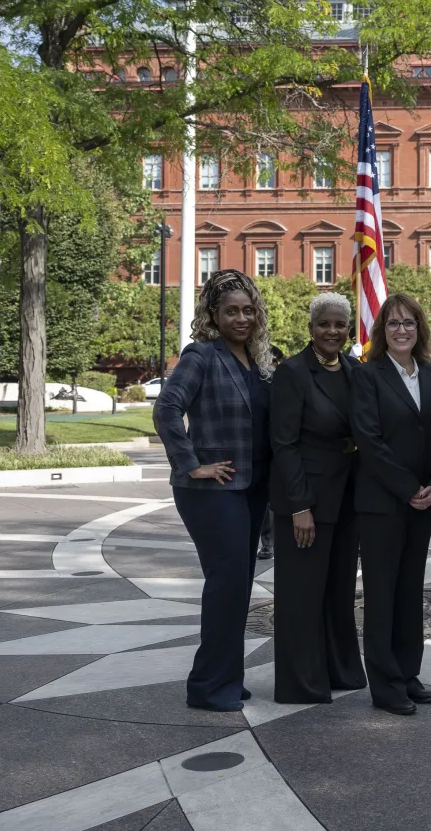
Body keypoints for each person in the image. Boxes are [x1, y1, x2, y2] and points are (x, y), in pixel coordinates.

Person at [154, 270, 272, 712]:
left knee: (238, 587)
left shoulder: (258, 361)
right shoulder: (201, 355)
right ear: (213, 315)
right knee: (226, 584)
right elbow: (167, 408)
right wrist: (191, 465)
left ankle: (226, 676)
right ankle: (208, 686)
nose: (240, 318)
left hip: (251, 488)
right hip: (213, 489)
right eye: (230, 312)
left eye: (247, 310)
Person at [268, 293, 367, 704]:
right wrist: (299, 506)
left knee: (339, 589)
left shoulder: (353, 369)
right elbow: (284, 444)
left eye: (340, 325)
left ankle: (339, 670)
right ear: (311, 328)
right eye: (324, 324)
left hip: (348, 497)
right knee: (301, 594)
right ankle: (301, 682)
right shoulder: (292, 372)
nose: (332, 331)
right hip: (306, 499)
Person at [351, 293, 431, 715]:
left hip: (423, 501)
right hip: (382, 502)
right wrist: (408, 487)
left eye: (409, 323)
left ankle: (408, 673)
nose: (401, 330)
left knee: (410, 592)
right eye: (393, 324)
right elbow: (369, 441)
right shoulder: (368, 376)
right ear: (381, 331)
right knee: (383, 594)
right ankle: (385, 686)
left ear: (419, 329)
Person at [258, 345, 286, 561]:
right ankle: (268, 543)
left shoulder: (281, 380)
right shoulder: (256, 379)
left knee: (271, 501)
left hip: (278, 446)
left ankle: (269, 543)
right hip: (261, 447)